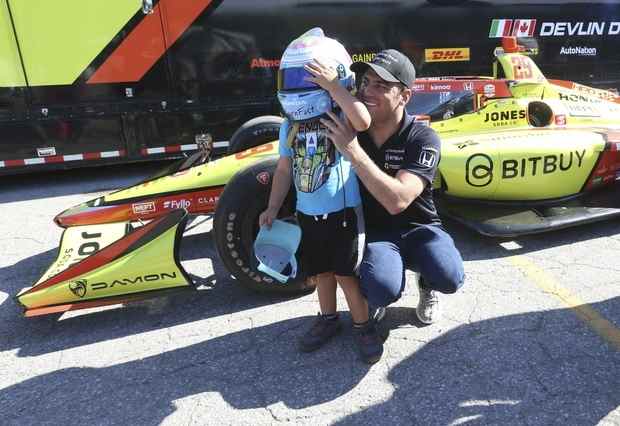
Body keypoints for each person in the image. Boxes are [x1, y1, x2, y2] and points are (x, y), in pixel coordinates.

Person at [258, 28, 383, 363]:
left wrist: (334, 88)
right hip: (308, 212)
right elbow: (284, 170)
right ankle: (328, 319)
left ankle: (363, 325)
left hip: (342, 212)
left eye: (311, 77)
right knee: (321, 273)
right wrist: (272, 207)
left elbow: (363, 118)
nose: (302, 85)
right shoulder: (290, 126)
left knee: (346, 274)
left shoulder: (339, 113)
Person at [320, 49, 465, 325]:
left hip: (420, 227)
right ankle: (376, 294)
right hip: (377, 232)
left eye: (381, 86)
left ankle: (427, 285)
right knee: (380, 288)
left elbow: (397, 200)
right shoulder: (351, 128)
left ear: (405, 96)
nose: (366, 91)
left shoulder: (423, 137)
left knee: (449, 276)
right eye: (365, 83)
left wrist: (352, 151)